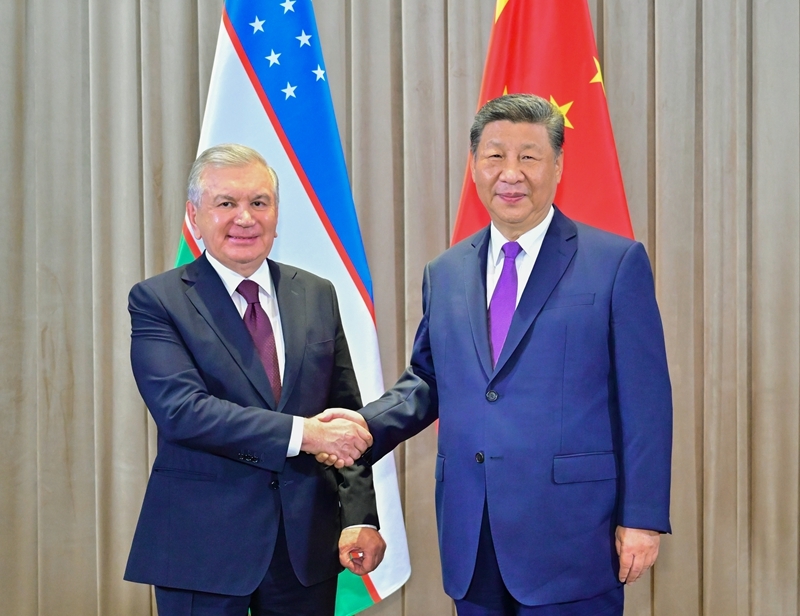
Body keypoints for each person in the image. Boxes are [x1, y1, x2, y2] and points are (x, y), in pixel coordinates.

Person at [321, 93, 672, 615]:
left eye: (529, 156)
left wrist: (641, 516)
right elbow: (428, 379)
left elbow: (646, 401)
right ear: (474, 166)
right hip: (472, 532)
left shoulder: (615, 263)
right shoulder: (445, 272)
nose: (511, 173)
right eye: (495, 156)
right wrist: (362, 428)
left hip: (574, 535)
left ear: (558, 166)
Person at [124, 144, 385, 616]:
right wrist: (304, 434)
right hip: (202, 547)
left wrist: (360, 517)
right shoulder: (158, 301)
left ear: (276, 215)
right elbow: (183, 412)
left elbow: (343, 415)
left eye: (259, 202)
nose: (244, 218)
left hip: (305, 548)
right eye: (226, 203)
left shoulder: (317, 294)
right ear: (195, 216)